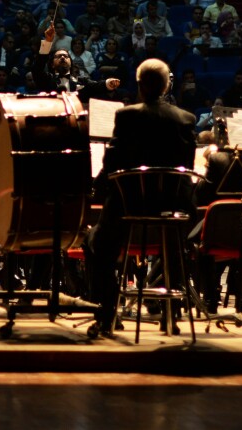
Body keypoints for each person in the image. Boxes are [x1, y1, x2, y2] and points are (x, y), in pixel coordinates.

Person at [85, 58, 197, 335]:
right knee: (173, 248)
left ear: (139, 86)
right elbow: (187, 168)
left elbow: (112, 162)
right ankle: (169, 314)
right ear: (167, 85)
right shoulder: (186, 119)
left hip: (129, 208)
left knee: (94, 245)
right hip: (171, 212)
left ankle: (108, 312)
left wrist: (95, 189)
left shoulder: (127, 115)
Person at [31, 22, 120, 99]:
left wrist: (108, 83)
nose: (62, 58)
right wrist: (47, 42)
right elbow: (37, 68)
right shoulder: (46, 79)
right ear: (52, 64)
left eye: (66, 56)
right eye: (58, 56)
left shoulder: (82, 81)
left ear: (71, 64)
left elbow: (97, 86)